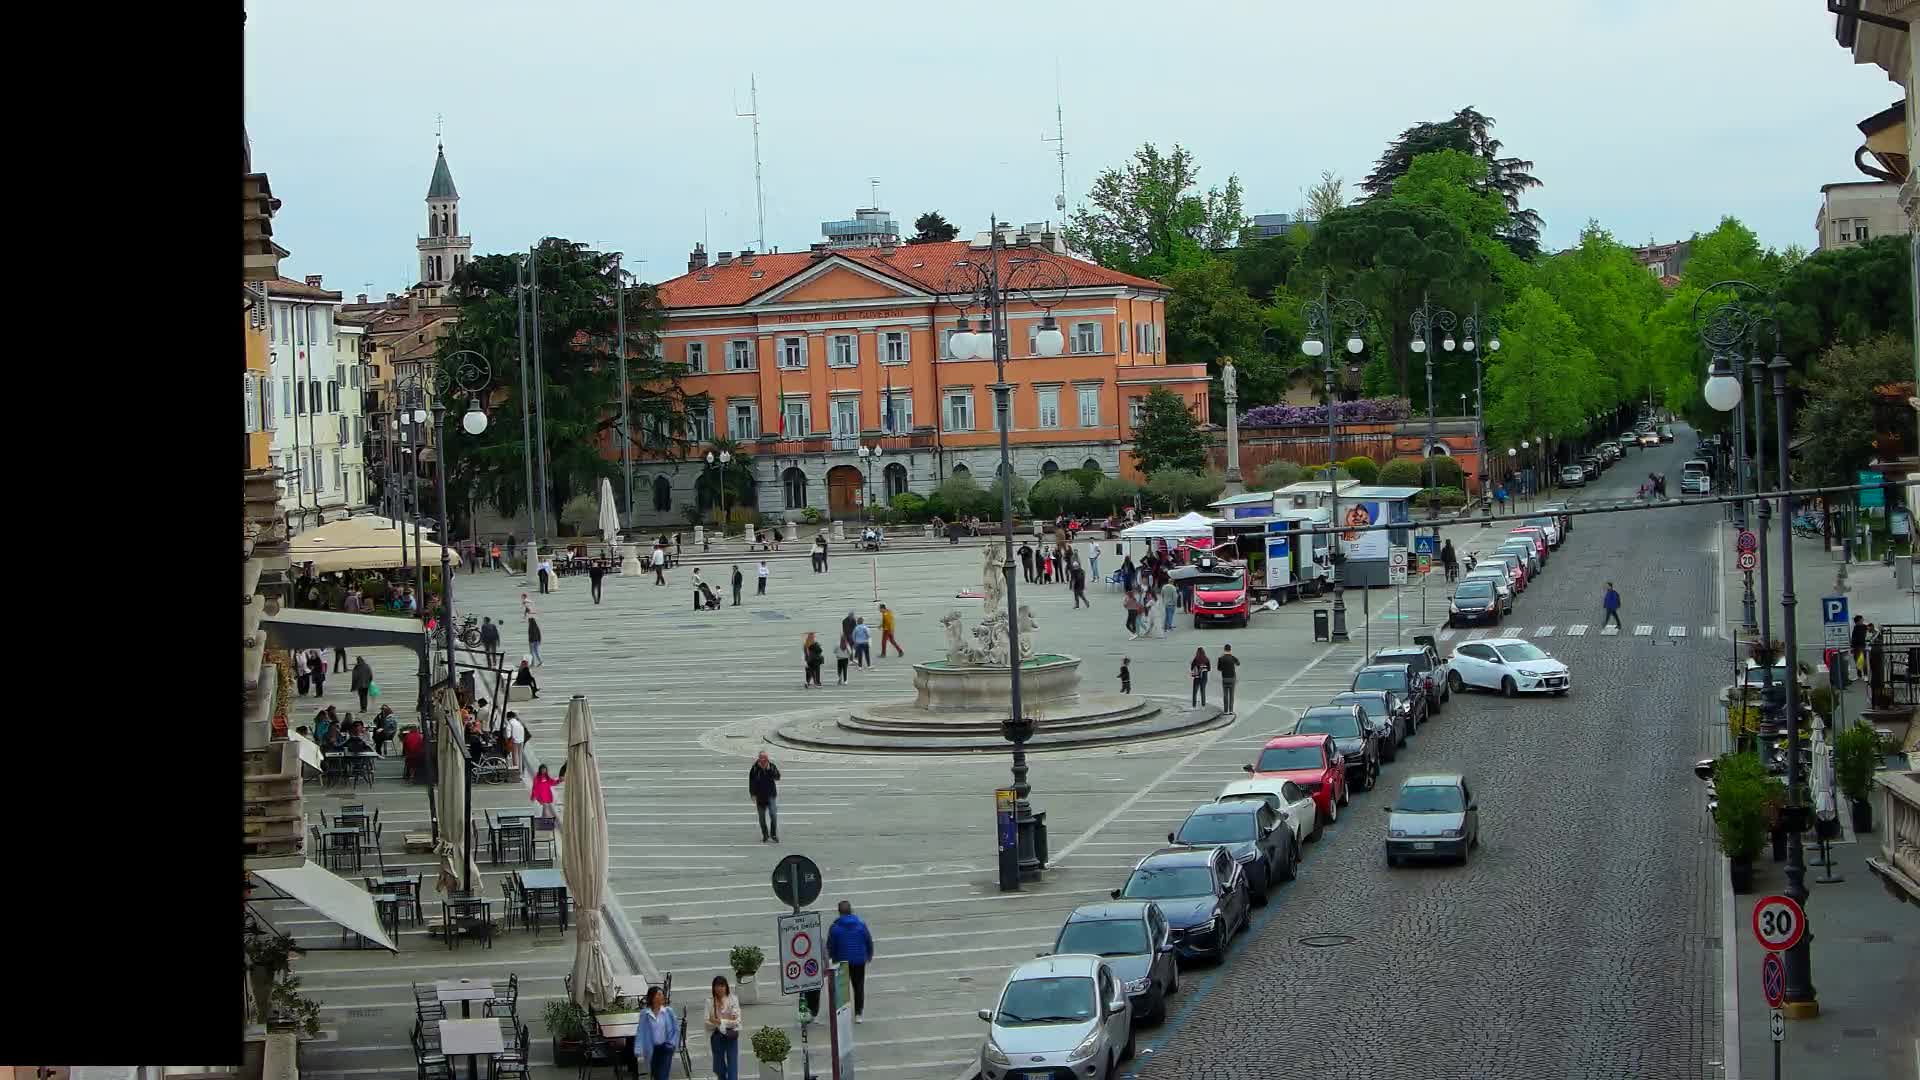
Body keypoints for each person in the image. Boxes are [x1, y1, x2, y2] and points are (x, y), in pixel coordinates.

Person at [826, 900, 875, 1022]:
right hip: (859, 960)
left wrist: (831, 957)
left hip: (842, 961)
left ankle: (842, 1013)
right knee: (858, 986)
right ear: (851, 910)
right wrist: (869, 955)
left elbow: (831, 945)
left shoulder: (835, 928)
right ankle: (858, 1014)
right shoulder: (861, 924)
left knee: (842, 987)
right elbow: (868, 940)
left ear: (839, 912)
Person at [636, 985, 680, 1080]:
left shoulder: (668, 1012)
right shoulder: (645, 1013)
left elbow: (676, 1029)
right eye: (659, 994)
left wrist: (673, 1044)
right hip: (652, 1049)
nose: (662, 997)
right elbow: (641, 1032)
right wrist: (638, 1048)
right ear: (652, 998)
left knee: (663, 1076)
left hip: (666, 1047)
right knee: (656, 1074)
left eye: (662, 994)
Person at [705, 975, 742, 1080]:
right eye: (717, 986)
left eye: (722, 986)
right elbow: (707, 1023)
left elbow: (736, 1021)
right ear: (713, 988)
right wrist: (727, 1020)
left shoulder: (733, 1000)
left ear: (726, 987)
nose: (719, 988)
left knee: (732, 1063)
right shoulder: (709, 1002)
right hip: (716, 1036)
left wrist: (719, 1021)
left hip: (731, 1035)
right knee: (718, 1065)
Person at [749, 751, 781, 842]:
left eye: (765, 759)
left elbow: (777, 777)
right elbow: (751, 782)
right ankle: (765, 834)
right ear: (759, 759)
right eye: (761, 758)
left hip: (771, 795)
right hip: (760, 796)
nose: (763, 761)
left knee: (773, 815)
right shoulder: (755, 769)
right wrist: (752, 794)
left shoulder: (771, 766)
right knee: (762, 818)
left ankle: (773, 834)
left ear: (767, 759)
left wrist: (769, 769)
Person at [1217, 644, 1240, 715]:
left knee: (1225, 695)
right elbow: (1238, 663)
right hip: (1232, 678)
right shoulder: (1233, 658)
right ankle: (1231, 710)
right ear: (1230, 650)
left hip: (1225, 678)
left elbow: (1219, 669)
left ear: (1224, 650)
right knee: (1231, 695)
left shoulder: (1221, 658)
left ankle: (1225, 710)